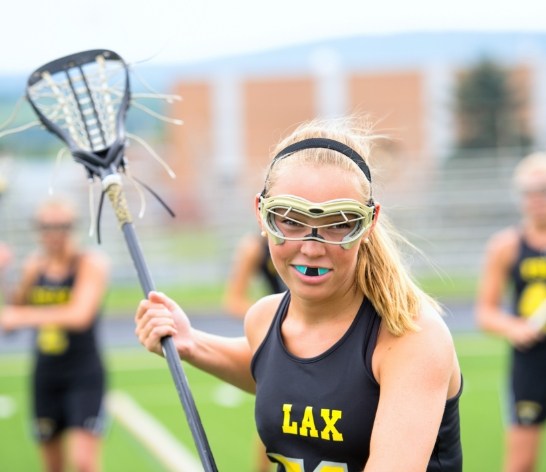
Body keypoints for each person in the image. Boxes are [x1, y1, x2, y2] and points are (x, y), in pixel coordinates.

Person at [135, 117, 463, 471]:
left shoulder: (411, 337)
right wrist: (191, 343)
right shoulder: (264, 319)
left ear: (368, 223)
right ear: (261, 215)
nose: (311, 247)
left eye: (338, 223)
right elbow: (271, 367)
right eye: (289, 219)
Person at [0, 196, 110, 472]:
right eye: (46, 227)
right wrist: (3, 273)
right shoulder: (34, 267)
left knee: (84, 463)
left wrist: (23, 316)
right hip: (46, 374)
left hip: (84, 374)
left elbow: (79, 316)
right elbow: (13, 314)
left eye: (61, 226)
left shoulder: (89, 263)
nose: (54, 234)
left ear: (72, 228)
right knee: (52, 466)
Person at [476, 151, 546, 472]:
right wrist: (515, 328)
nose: (537, 199)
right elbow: (485, 313)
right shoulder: (506, 246)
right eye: (530, 192)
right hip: (530, 364)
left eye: (543, 190)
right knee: (520, 464)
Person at [223, 233, 287, 472]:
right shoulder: (254, 248)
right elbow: (233, 300)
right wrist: (279, 320)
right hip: (284, 340)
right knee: (274, 412)